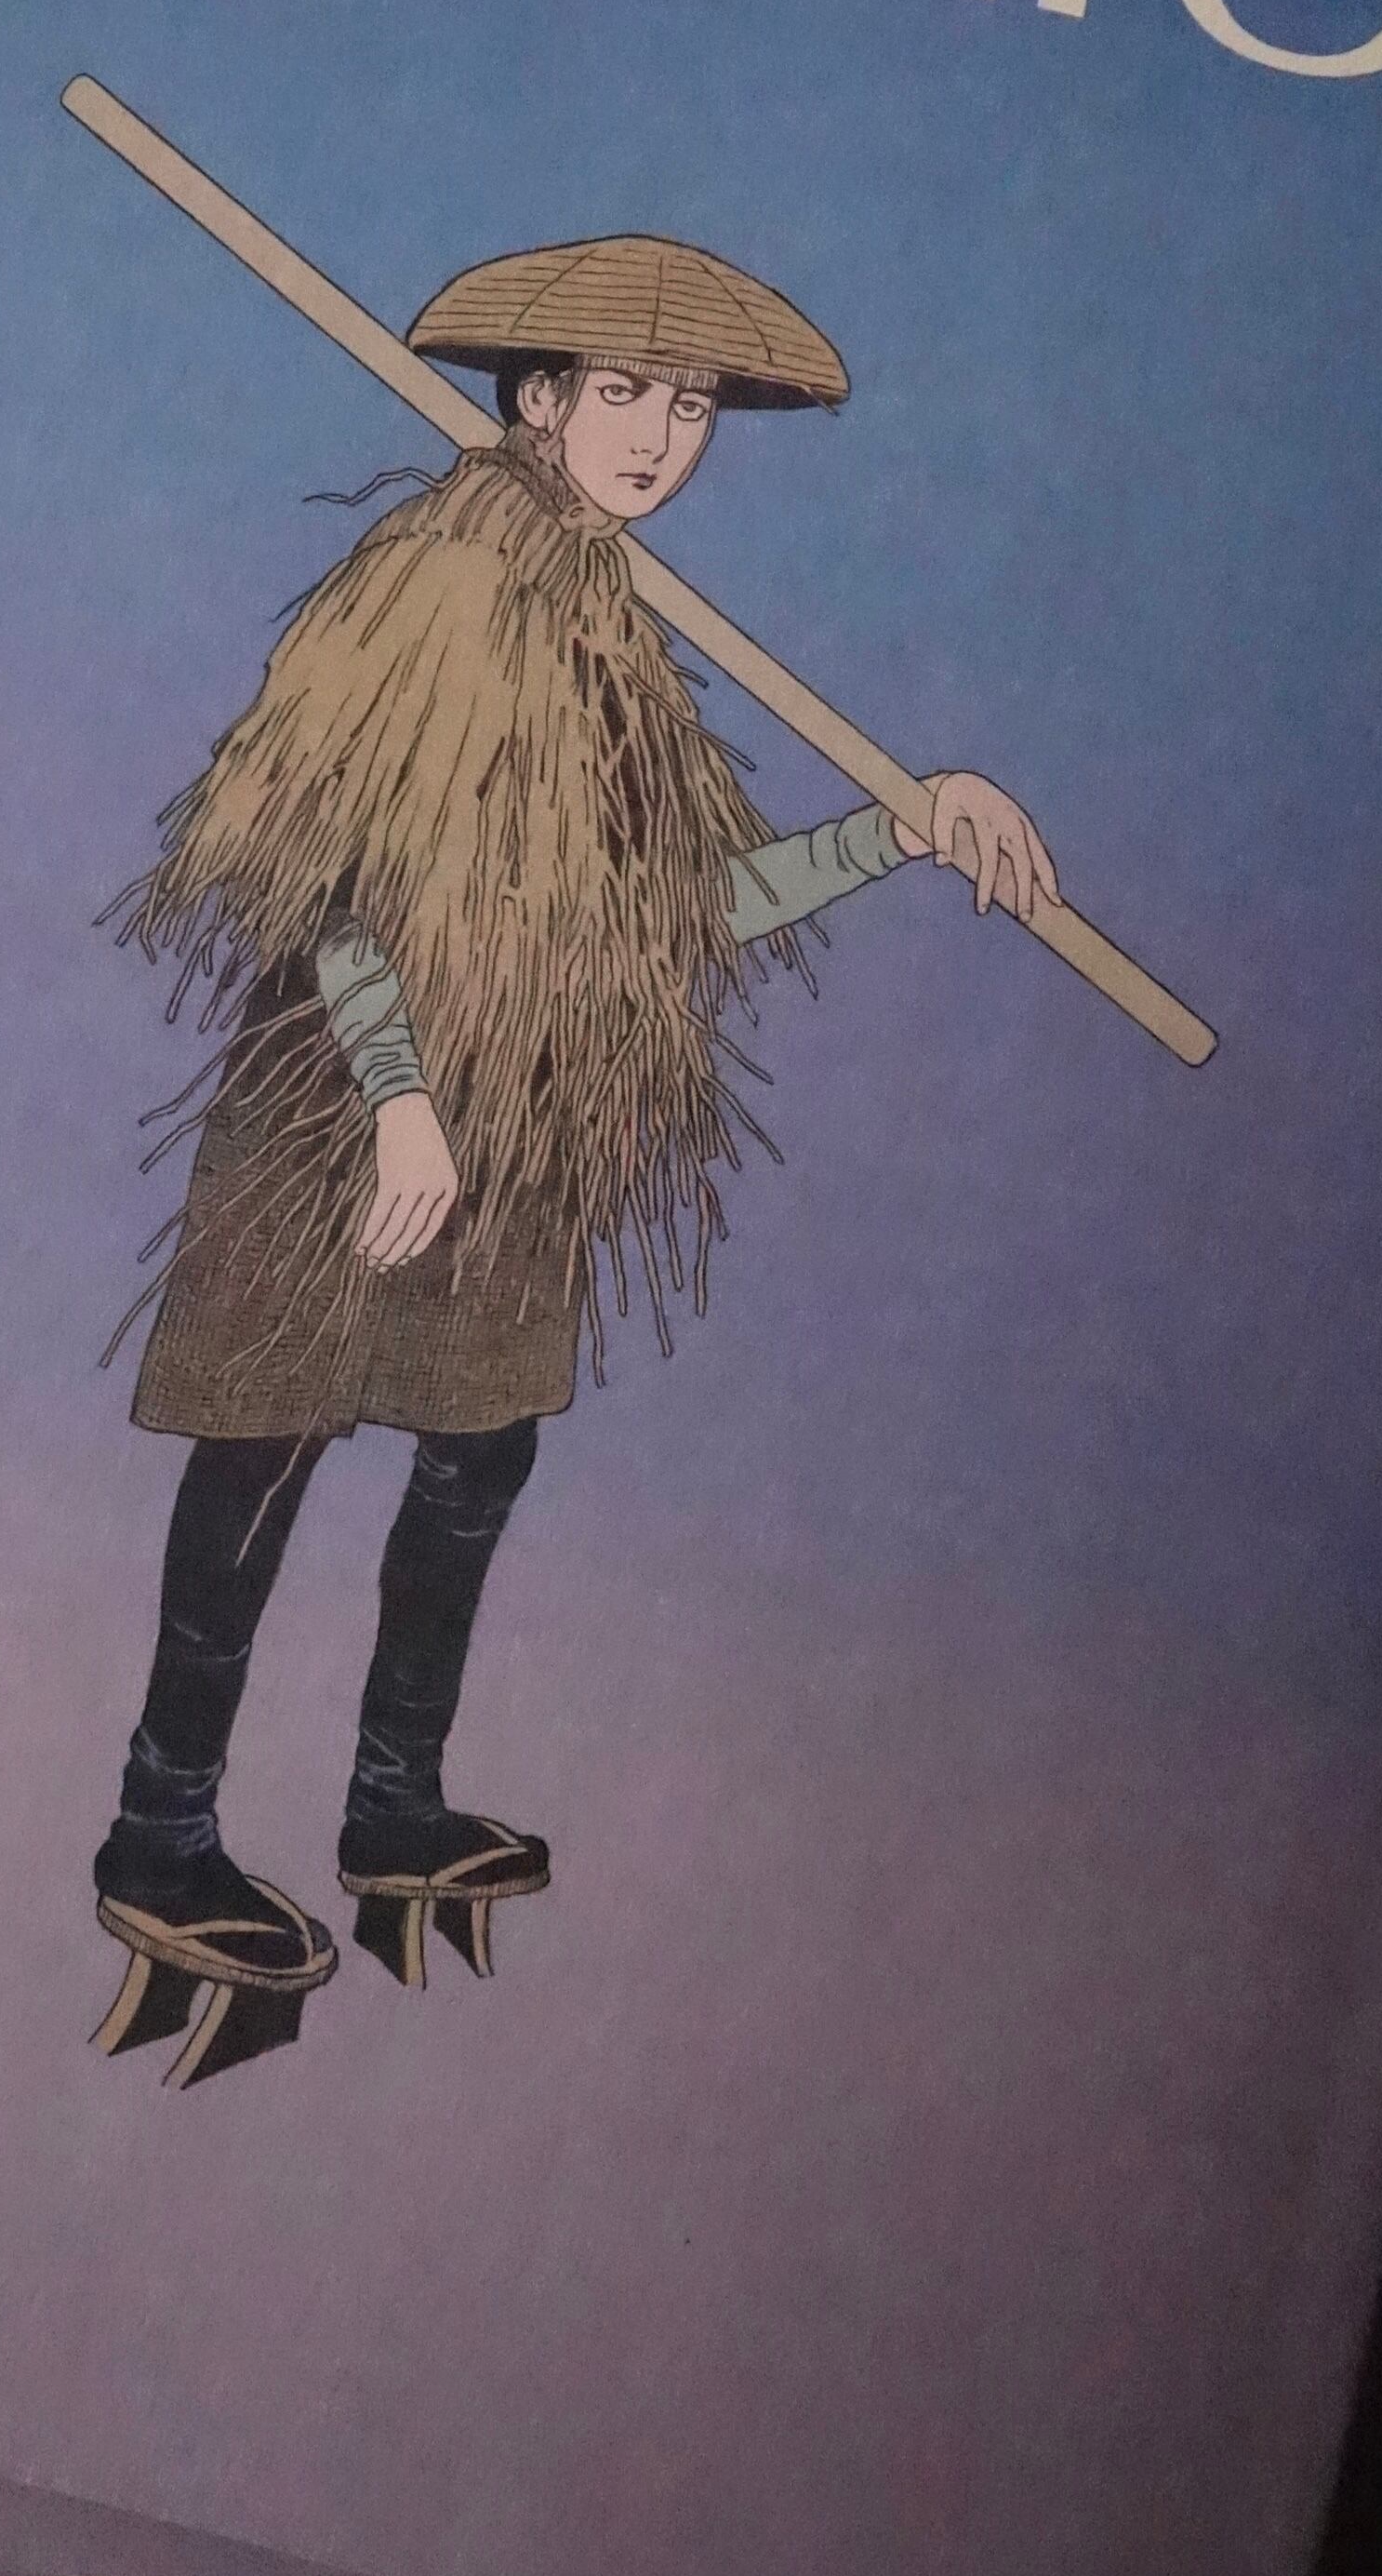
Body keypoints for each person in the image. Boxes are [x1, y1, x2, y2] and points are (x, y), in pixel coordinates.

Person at [87, 229, 1056, 2084]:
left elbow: (678, 920)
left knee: (479, 1447)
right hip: (358, 1109)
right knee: (269, 1444)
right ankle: (161, 1830)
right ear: (540, 399)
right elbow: (329, 867)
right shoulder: (446, 575)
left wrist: (900, 830)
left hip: (522, 1118)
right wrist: (398, 1095)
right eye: (623, 394)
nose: (658, 437)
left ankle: (392, 1803)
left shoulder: (611, 618)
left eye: (688, 407)